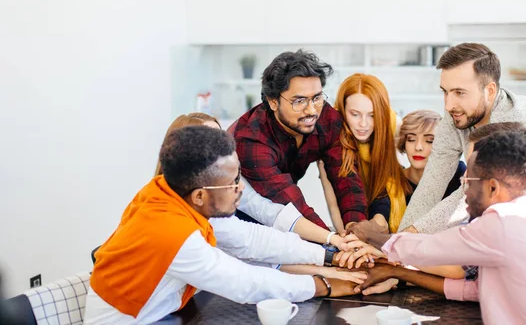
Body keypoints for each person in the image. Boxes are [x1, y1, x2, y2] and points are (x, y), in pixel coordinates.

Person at [85, 127, 359, 324]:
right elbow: (245, 283)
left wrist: (330, 254)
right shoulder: (170, 232)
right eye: (231, 183)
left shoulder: (173, 193)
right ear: (200, 195)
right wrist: (323, 285)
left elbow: (250, 238)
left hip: (165, 312)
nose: (240, 189)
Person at [344, 130, 526, 324]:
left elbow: (428, 249)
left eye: (470, 177)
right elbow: (476, 290)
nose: (463, 184)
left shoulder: (504, 222)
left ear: (492, 187)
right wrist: (398, 272)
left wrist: (374, 236)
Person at [398, 43, 526, 264]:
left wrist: (401, 245)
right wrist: (397, 243)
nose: (448, 104)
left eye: (459, 93)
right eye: (445, 92)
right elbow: (431, 184)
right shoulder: (456, 117)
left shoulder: (516, 122)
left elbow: (472, 191)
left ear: (490, 90)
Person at [156, 113, 347, 250]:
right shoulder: (172, 212)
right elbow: (249, 250)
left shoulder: (225, 182)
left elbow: (270, 214)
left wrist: (330, 239)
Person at [233, 50, 367, 230]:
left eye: (317, 98)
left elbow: (345, 175)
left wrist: (355, 228)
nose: (312, 110)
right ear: (273, 102)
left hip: (285, 204)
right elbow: (288, 199)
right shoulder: (251, 140)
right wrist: (332, 241)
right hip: (241, 211)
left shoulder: (327, 118)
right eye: (300, 101)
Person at [319, 73, 410, 234]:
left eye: (372, 115)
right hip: (351, 214)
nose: (363, 124)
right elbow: (333, 200)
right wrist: (346, 237)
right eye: (355, 114)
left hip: (384, 208)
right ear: (342, 110)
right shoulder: (330, 138)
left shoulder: (393, 124)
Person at [397, 110, 465, 201]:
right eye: (411, 139)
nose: (418, 147)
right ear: (403, 142)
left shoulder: (457, 173)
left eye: (430, 141)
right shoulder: (394, 181)